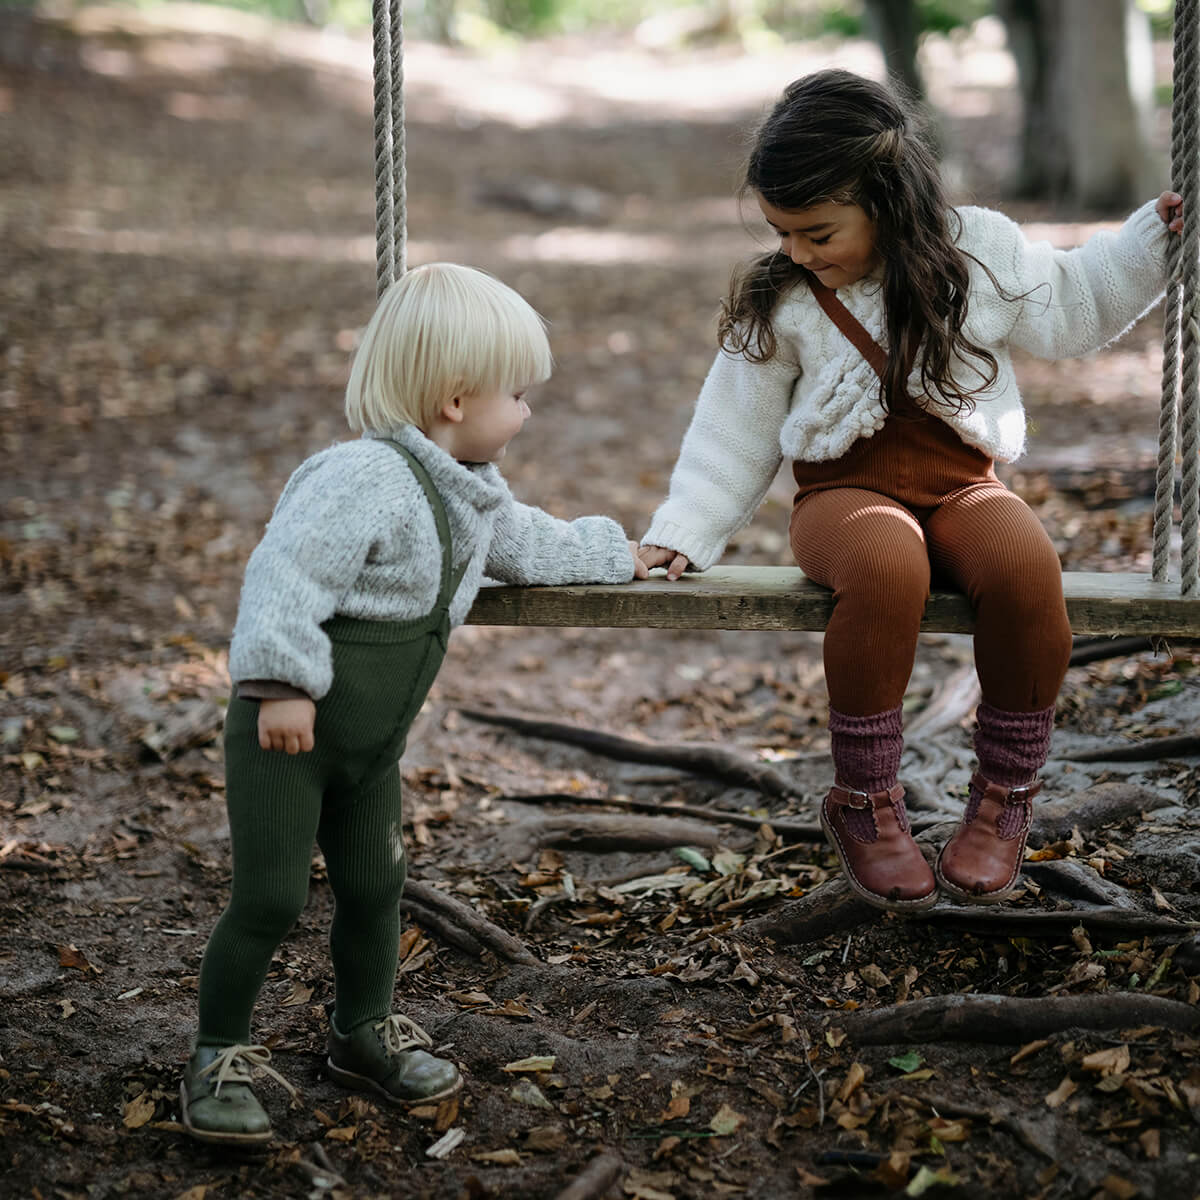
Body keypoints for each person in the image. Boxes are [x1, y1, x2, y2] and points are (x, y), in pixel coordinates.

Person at [639, 69, 1184, 913]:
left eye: (818, 232)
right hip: (841, 498)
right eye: (783, 233)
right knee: (888, 564)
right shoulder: (784, 297)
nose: (798, 252)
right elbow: (731, 429)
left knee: (1025, 566)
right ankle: (864, 799)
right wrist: (686, 527)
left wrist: (1152, 239)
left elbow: (1076, 304)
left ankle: (1004, 796)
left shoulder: (980, 253)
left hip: (963, 484)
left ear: (887, 200)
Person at [181, 262, 649, 1145]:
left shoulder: (470, 489)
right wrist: (281, 685)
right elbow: (288, 572)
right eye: (519, 394)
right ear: (456, 399)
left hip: (369, 753)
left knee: (376, 885)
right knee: (271, 898)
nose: (528, 411)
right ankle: (218, 1051)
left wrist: (621, 555)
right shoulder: (361, 477)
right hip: (289, 736)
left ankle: (361, 1030)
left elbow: (533, 544)